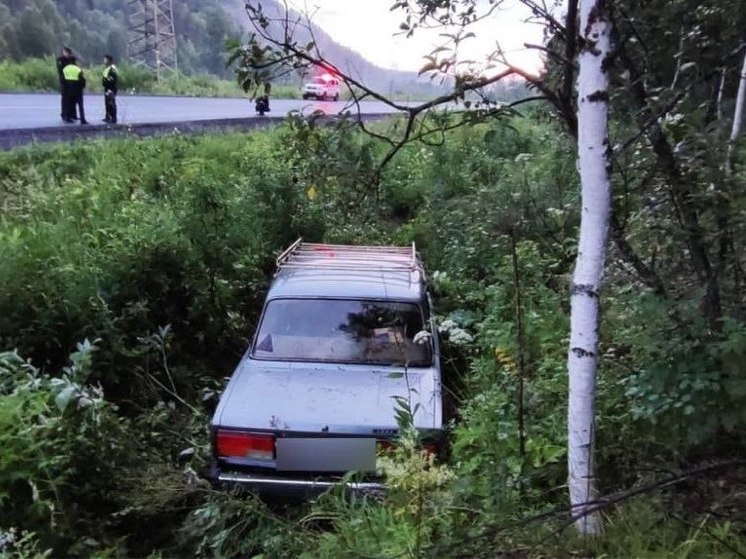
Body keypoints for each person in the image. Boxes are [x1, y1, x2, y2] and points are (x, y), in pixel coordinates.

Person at [62, 57, 87, 125]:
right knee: (80, 105)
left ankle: (68, 118)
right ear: (74, 62)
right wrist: (82, 87)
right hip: (77, 89)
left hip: (68, 89)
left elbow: (63, 79)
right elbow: (82, 80)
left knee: (69, 104)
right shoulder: (78, 69)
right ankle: (82, 119)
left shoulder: (65, 69)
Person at [56, 47, 75, 122]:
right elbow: (61, 70)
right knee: (65, 99)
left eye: (68, 53)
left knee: (71, 99)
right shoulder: (60, 60)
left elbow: (74, 68)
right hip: (64, 81)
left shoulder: (72, 60)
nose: (66, 54)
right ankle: (65, 115)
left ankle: (70, 114)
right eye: (65, 52)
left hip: (72, 81)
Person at [101, 54, 118, 124]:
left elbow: (112, 79)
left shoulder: (112, 68)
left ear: (109, 61)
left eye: (105, 60)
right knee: (107, 103)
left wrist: (108, 83)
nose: (104, 61)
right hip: (107, 88)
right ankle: (107, 117)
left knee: (111, 103)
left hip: (110, 88)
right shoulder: (107, 68)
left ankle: (113, 118)